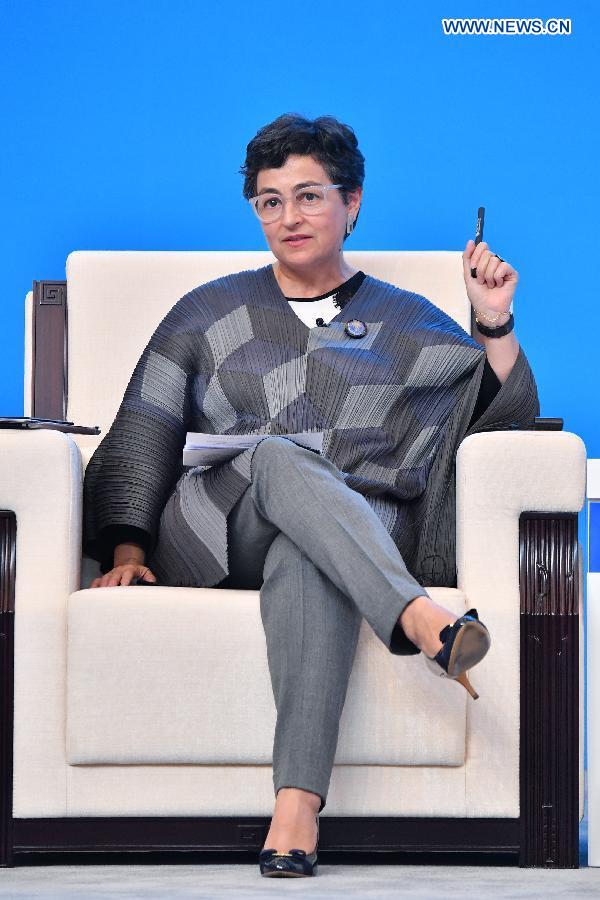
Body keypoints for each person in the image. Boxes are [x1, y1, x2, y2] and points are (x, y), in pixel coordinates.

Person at [82, 113, 539, 876]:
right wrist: (127, 549)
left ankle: (295, 811)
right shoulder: (206, 312)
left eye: (308, 196)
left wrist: (494, 324)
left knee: (309, 550)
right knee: (278, 454)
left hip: (347, 534)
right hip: (222, 525)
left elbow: (493, 418)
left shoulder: (409, 321)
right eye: (270, 201)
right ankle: (418, 617)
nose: (288, 217)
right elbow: (145, 428)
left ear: (351, 203)